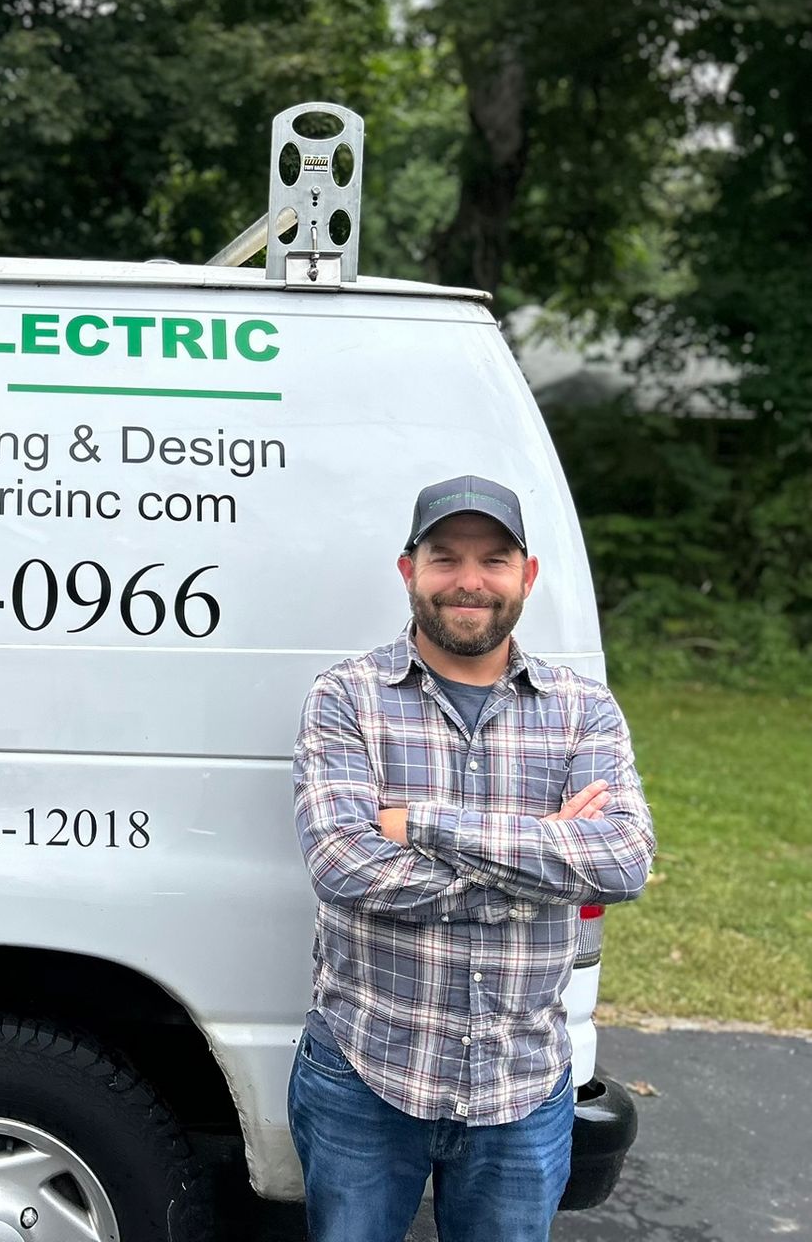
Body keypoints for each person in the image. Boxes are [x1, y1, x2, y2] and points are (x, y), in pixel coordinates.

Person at [289, 475, 654, 1242]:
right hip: (365, 1072)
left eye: (493, 559)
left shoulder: (583, 708)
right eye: (445, 556)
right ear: (408, 570)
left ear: (527, 575)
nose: (468, 580)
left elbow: (621, 862)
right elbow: (343, 865)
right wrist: (543, 855)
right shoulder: (345, 698)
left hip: (520, 1088)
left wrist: (419, 821)